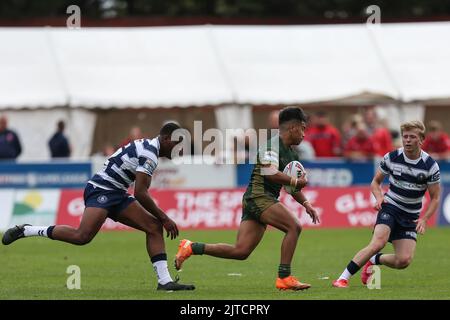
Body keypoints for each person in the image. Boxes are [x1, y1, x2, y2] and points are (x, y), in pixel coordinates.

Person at [2, 122, 195, 291]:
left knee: (153, 227)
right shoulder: (150, 153)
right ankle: (27, 230)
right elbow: (140, 193)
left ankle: (165, 281)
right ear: (167, 139)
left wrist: (160, 219)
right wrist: (165, 217)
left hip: (116, 193)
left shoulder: (149, 147)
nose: (179, 150)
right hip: (101, 190)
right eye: (178, 145)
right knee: (82, 237)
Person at [174, 107, 320, 291]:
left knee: (241, 251)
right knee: (294, 226)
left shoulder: (291, 154)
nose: (305, 134)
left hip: (257, 200)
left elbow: (292, 187)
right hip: (259, 197)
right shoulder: (271, 146)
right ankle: (284, 277)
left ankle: (191, 247)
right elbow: (270, 172)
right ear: (292, 127)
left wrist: (306, 203)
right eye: (303, 128)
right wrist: (296, 180)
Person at [332, 120, 441, 288]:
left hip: (410, 216)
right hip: (390, 207)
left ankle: (375, 260)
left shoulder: (430, 166)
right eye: (405, 137)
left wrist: (424, 219)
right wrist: (379, 197)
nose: (407, 140)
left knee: (403, 261)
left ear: (421, 140)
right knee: (378, 243)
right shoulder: (392, 157)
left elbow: (435, 197)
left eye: (412, 137)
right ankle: (342, 278)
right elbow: (375, 182)